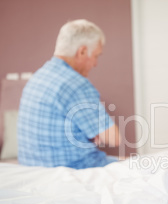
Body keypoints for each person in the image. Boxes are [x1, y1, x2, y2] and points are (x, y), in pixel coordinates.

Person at [18, 19, 120, 169]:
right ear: (82, 51)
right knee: (139, 167)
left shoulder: (39, 76)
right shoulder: (76, 84)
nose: (95, 64)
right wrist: (95, 133)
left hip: (35, 168)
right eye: (96, 56)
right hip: (74, 170)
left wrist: (91, 132)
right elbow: (114, 138)